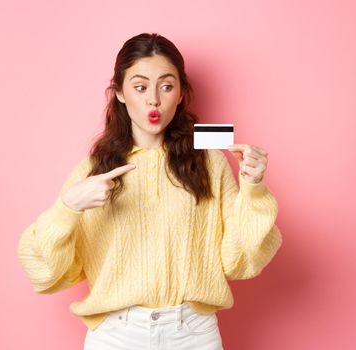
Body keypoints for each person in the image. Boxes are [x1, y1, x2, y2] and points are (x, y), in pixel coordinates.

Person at [17, 32, 282, 350]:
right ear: (119, 93)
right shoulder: (93, 170)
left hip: (193, 334)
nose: (153, 100)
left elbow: (240, 261)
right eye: (140, 87)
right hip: (116, 336)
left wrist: (253, 188)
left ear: (181, 93)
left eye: (166, 86)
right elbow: (44, 272)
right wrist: (67, 208)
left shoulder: (209, 161)